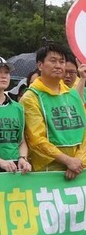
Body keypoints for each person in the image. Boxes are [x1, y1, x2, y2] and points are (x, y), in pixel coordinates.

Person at [20, 44, 86, 180]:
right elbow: (36, 139)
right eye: (53, 61)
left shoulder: (73, 94)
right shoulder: (31, 97)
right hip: (48, 173)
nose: (58, 65)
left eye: (61, 62)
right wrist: (67, 160)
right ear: (40, 65)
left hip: (79, 169)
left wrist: (78, 161)